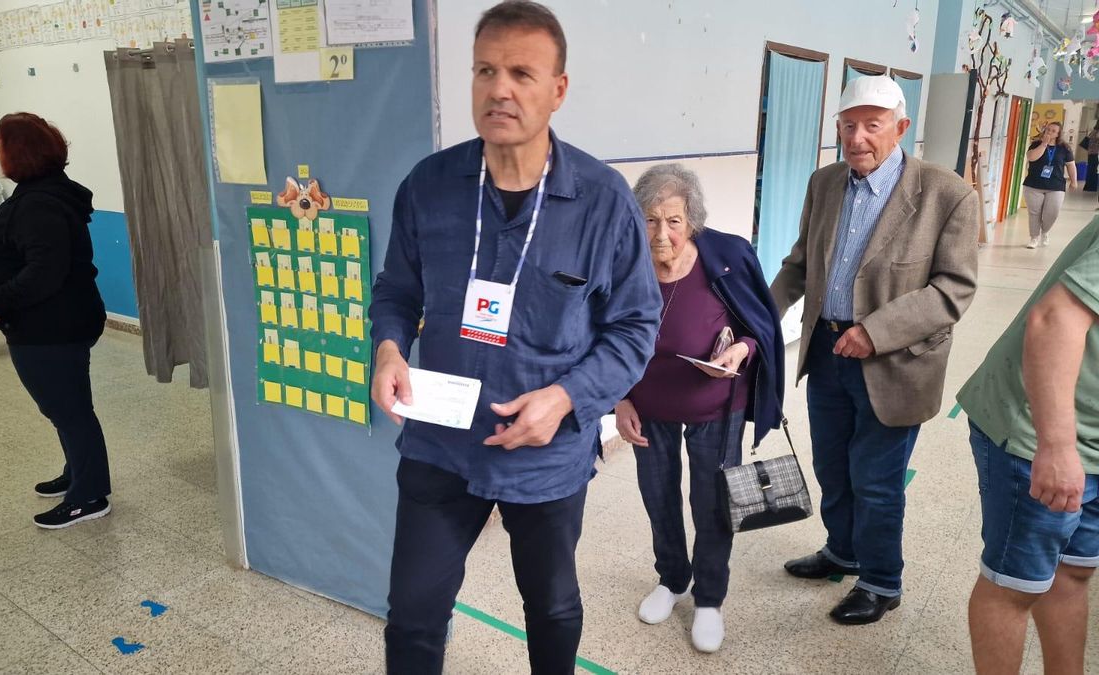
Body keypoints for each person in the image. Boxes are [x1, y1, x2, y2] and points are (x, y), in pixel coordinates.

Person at [369, 2, 660, 672]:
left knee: (551, 605)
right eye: (485, 70)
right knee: (413, 613)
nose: (500, 88)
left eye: (522, 73)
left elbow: (635, 327)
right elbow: (396, 293)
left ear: (557, 90)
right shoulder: (430, 187)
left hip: (546, 456)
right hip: (441, 440)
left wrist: (565, 398)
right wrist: (388, 347)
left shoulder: (602, 200)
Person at [769, 75, 979, 625]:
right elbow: (799, 265)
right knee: (832, 467)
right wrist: (755, 318)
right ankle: (842, 550)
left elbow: (953, 289)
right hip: (827, 354)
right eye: (847, 125)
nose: (857, 137)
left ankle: (882, 581)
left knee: (877, 481)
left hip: (895, 363)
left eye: (872, 125)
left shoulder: (946, 194)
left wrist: (877, 331)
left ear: (900, 128)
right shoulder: (825, 183)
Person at [614, 164, 784, 653]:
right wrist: (619, 399)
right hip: (647, 406)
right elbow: (602, 334)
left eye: (673, 220)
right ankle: (672, 579)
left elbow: (760, 327)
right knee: (657, 495)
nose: (662, 233)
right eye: (650, 220)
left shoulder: (725, 255)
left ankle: (709, 600)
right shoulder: (624, 263)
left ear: (693, 221)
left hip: (716, 403)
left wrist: (742, 352)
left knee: (711, 503)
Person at [957, 223, 1099, 675]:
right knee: (1015, 586)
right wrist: (1055, 448)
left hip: (1092, 437)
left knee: (1073, 572)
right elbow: (1054, 320)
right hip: (1039, 428)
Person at [0, 112, 111, 529]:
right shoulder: (47, 192)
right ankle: (79, 473)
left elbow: (44, 271)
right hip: (59, 322)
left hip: (50, 328)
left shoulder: (38, 203)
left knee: (68, 409)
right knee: (66, 407)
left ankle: (89, 496)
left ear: (15, 151)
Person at [1022, 121, 1077, 249]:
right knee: (1034, 213)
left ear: (1058, 134)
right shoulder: (1036, 144)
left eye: (1053, 131)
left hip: (1056, 185)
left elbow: (1071, 165)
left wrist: (1074, 181)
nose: (1050, 132)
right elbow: (1032, 158)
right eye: (1048, 129)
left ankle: (1045, 231)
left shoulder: (1065, 148)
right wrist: (1044, 144)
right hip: (1034, 185)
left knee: (1053, 212)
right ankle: (1034, 237)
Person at [1081, 122, 1099, 192]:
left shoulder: (1093, 131)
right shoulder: (1097, 132)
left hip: (1091, 153)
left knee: (1091, 170)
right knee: (1094, 171)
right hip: (1095, 154)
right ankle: (1092, 187)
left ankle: (1088, 186)